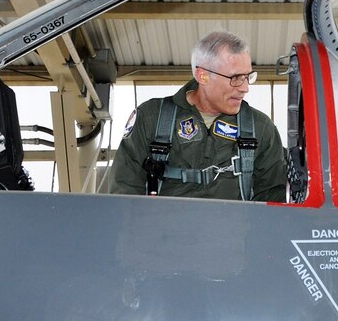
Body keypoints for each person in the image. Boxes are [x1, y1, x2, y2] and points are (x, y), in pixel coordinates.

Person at [109, 31, 286, 201]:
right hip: (163, 230)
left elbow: (273, 199)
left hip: (235, 231)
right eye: (236, 78)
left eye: (248, 77)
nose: (244, 88)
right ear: (203, 76)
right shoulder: (152, 118)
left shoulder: (260, 128)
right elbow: (124, 189)